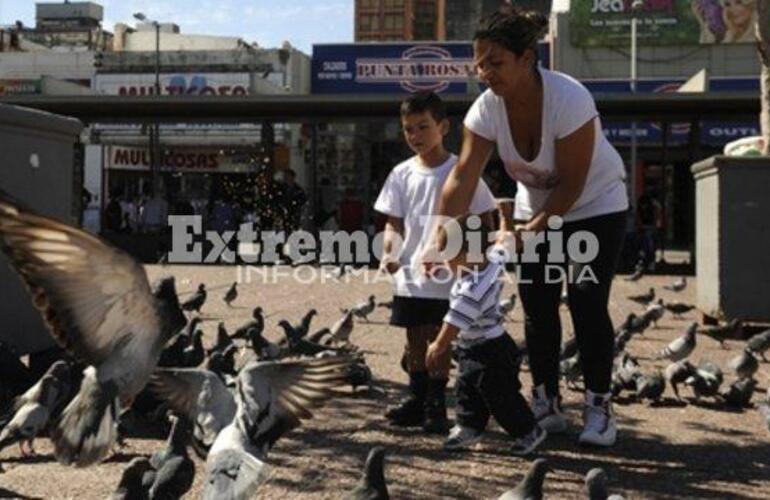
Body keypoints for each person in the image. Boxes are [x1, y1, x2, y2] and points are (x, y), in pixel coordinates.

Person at [430, 6, 628, 447]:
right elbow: (462, 175)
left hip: (595, 205)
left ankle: (599, 407)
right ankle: (546, 401)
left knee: (586, 299)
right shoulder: (485, 109)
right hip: (533, 209)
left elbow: (572, 184)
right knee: (536, 305)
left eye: (495, 62)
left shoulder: (569, 98)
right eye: (479, 63)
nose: (484, 72)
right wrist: (441, 233)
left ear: (526, 58)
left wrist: (532, 229)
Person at [374, 91, 497, 434]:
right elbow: (393, 221)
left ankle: (436, 402)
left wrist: (470, 257)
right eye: (408, 129)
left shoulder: (462, 170)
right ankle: (415, 397)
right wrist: (390, 250)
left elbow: (485, 217)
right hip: (411, 274)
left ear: (443, 127)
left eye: (423, 127)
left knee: (437, 338)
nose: (415, 136)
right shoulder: (400, 174)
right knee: (414, 338)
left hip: (447, 275)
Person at [425, 214, 546, 454]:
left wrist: (438, 345)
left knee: (500, 395)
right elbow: (505, 244)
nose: (446, 262)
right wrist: (504, 217)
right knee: (467, 388)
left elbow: (455, 320)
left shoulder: (474, 289)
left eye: (448, 256)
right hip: (478, 346)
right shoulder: (490, 260)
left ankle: (528, 430)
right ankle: (469, 426)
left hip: (489, 351)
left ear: (467, 254)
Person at [636, 189, 663, 270]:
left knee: (645, 246)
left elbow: (639, 214)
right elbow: (658, 215)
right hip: (650, 227)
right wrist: (657, 225)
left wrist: (639, 224)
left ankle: (644, 263)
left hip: (646, 227)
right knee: (649, 246)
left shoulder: (643, 202)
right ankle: (649, 264)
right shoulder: (655, 204)